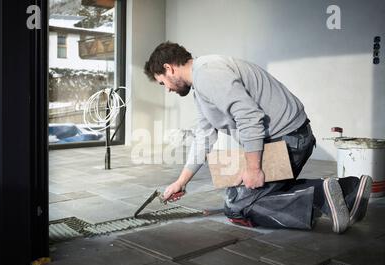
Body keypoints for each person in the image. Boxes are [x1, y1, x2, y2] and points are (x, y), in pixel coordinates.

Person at [144, 41, 372, 234]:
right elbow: (204, 135)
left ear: (169, 68)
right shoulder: (202, 84)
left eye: (162, 82)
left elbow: (249, 116)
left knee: (238, 207)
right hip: (283, 138)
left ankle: (325, 195)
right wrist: (180, 182)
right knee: (232, 184)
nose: (167, 89)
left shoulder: (207, 73)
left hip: (289, 140)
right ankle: (348, 190)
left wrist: (254, 168)